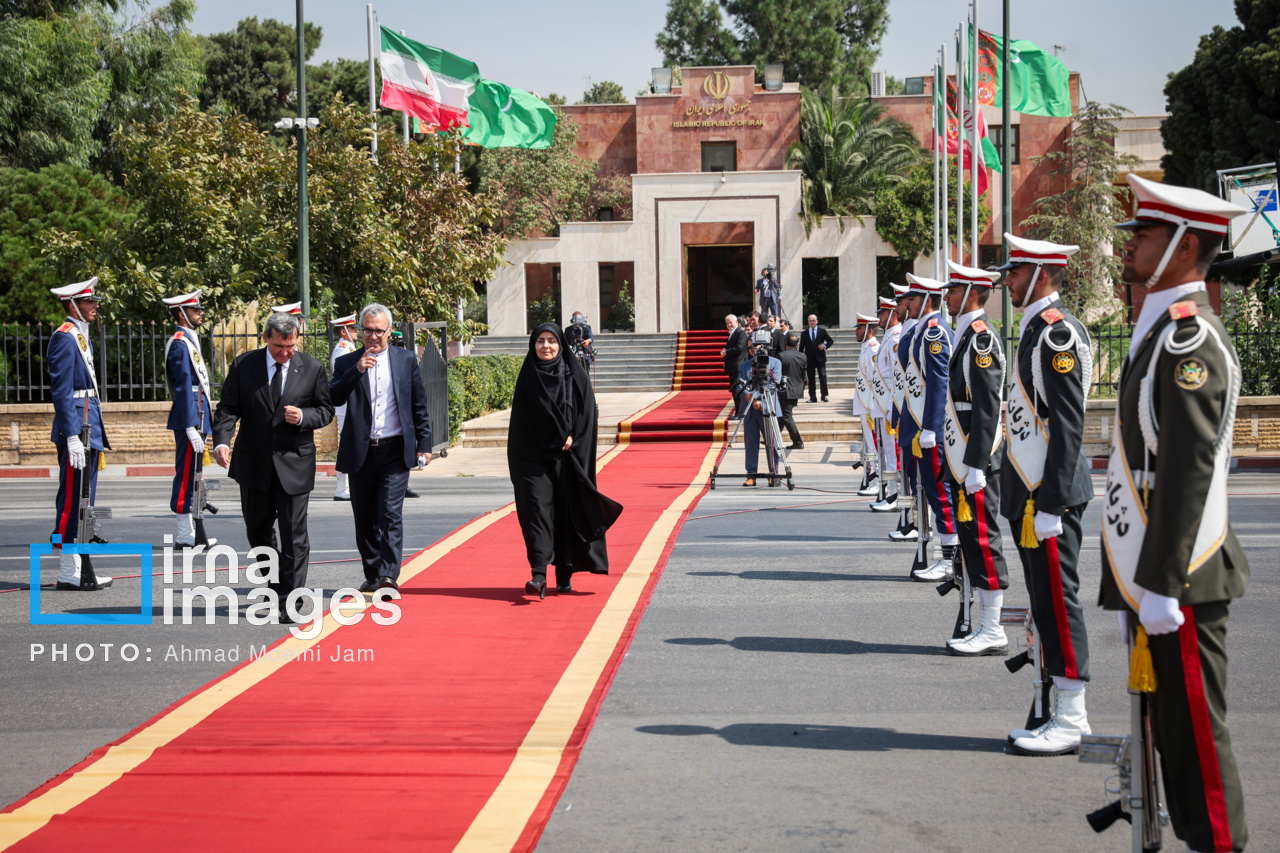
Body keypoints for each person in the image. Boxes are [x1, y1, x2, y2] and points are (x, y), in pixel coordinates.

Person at [1100, 176, 1249, 852]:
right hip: (1160, 565)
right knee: (1170, 735)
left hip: (1180, 570)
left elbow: (1188, 464)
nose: (1130, 246)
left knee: (1196, 745)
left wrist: (1162, 580)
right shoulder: (1159, 331)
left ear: (1185, 247)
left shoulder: (1187, 340)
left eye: (1146, 235)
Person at [997, 233, 1095, 756]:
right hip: (1032, 492)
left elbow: (1068, 424)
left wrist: (1053, 503)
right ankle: (1059, 706)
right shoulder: (1035, 329)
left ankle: (1074, 716)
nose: (1007, 280)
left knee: (1059, 603)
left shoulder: (1055, 335)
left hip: (1048, 496)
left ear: (1040, 275)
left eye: (1014, 271)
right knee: (1044, 601)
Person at [212, 311, 333, 618]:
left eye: (291, 346)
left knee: (294, 535)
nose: (286, 353)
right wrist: (223, 441)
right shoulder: (244, 365)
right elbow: (228, 407)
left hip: (294, 463)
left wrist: (305, 417)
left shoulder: (312, 368)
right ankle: (275, 585)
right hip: (254, 464)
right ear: (266, 338)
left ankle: (290, 599)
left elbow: (325, 410)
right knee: (257, 532)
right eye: (280, 346)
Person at [508, 324, 621, 599]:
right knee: (536, 511)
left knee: (564, 514)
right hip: (533, 459)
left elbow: (587, 415)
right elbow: (520, 423)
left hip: (567, 458)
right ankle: (538, 573)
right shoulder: (527, 378)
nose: (545, 346)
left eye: (551, 341)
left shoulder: (574, 376)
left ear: (560, 345)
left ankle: (564, 572)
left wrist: (574, 437)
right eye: (540, 341)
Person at [330, 304, 433, 593]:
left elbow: (418, 405)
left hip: (395, 450)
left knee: (389, 513)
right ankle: (373, 572)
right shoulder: (347, 361)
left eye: (379, 330)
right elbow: (334, 397)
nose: (373, 336)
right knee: (365, 517)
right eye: (367, 330)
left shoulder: (406, 360)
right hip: (361, 451)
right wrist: (355, 370)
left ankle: (388, 576)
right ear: (360, 331)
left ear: (389, 331)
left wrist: (423, 445)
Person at [939, 261, 1010, 656]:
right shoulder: (965, 336)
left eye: (953, 290)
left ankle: (993, 627)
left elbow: (987, 406)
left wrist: (979, 464)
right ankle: (983, 622)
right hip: (962, 454)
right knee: (971, 539)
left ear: (971, 294)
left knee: (984, 539)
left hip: (975, 457)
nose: (947, 296)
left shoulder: (981, 340)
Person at [47, 277, 112, 590]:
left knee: (85, 500)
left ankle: (80, 564)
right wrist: (72, 435)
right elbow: (61, 391)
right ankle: (66, 568)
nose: (95, 306)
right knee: (72, 500)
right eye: (90, 301)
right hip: (77, 428)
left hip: (89, 427)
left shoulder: (78, 335)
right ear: (73, 304)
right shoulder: (63, 337)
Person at [901, 275, 959, 581]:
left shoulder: (934, 333)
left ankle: (949, 559)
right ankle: (946, 552)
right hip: (920, 424)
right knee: (933, 492)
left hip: (930, 428)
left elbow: (939, 382)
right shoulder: (923, 331)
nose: (906, 304)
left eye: (912, 299)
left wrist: (931, 427)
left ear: (926, 300)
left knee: (940, 493)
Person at [162, 291, 215, 548]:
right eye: (195, 310)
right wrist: (190, 425)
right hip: (189, 416)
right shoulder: (180, 343)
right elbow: (182, 386)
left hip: (198, 412)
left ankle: (193, 529)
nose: (200, 313)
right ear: (181, 314)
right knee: (185, 473)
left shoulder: (190, 341)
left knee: (196, 473)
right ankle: (184, 533)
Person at [737, 332, 784, 487]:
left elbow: (773, 385)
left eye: (756, 346)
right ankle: (751, 474)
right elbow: (740, 384)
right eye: (750, 347)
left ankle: (773, 473)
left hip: (767, 406)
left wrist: (758, 400)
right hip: (750, 408)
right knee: (751, 443)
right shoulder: (745, 365)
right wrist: (749, 396)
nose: (753, 350)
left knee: (772, 443)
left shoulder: (775, 363)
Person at [870, 293, 902, 513]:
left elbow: (897, 376)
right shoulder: (889, 338)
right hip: (883, 405)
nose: (879, 317)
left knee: (893, 453)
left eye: (881, 313)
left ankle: (896, 493)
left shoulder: (896, 338)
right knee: (887, 452)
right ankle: (891, 492)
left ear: (891, 314)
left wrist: (892, 407)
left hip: (890, 406)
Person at [329, 314, 360, 501]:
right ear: (343, 331)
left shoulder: (348, 347)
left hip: (349, 404)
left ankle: (346, 486)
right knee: (346, 446)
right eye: (353, 328)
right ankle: (341, 488)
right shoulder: (343, 350)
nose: (356, 331)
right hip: (346, 405)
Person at [852, 314, 880, 496]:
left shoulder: (873, 349)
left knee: (876, 445)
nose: (856, 331)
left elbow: (876, 381)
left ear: (869, 330)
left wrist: (871, 406)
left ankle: (879, 480)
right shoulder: (865, 349)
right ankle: (875, 477)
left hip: (870, 405)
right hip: (864, 405)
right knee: (870, 445)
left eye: (860, 328)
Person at [778, 332, 806, 449]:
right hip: (797, 389)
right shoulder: (803, 356)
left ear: (786, 343)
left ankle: (797, 441)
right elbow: (803, 374)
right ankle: (774, 439)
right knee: (782, 415)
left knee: (786, 416)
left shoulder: (781, 356)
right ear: (797, 344)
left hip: (785, 389)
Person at [797, 314, 834, 402]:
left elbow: (830, 341)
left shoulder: (822, 331)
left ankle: (824, 395)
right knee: (811, 378)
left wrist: (824, 346)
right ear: (808, 322)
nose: (812, 322)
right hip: (809, 359)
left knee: (823, 376)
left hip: (820, 358)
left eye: (813, 320)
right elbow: (801, 347)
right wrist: (800, 359)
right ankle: (812, 397)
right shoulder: (804, 333)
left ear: (817, 321)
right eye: (810, 321)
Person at [720, 314, 747, 412]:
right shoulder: (731, 333)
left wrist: (726, 352)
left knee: (738, 390)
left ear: (736, 322)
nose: (729, 325)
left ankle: (740, 411)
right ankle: (738, 410)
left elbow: (739, 348)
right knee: (734, 390)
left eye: (731, 322)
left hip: (738, 366)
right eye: (727, 323)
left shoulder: (741, 333)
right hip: (732, 366)